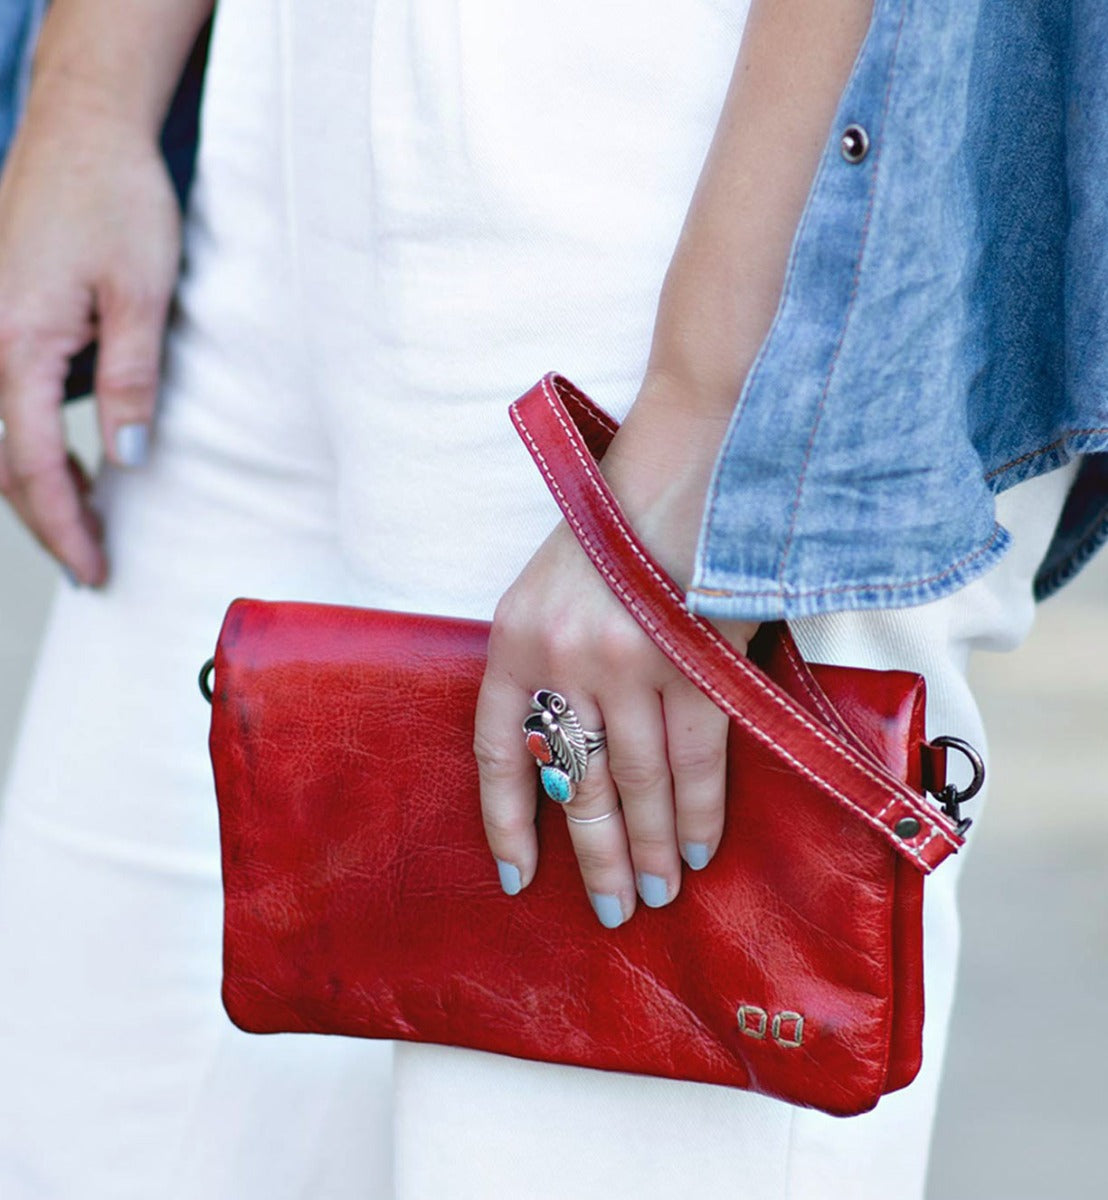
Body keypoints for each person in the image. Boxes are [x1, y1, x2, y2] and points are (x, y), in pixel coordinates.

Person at [0, 1, 1103, 1198]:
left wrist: (715, 400)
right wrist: (90, 93)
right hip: (268, 111)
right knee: (104, 1126)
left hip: (687, 155)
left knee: (565, 1145)